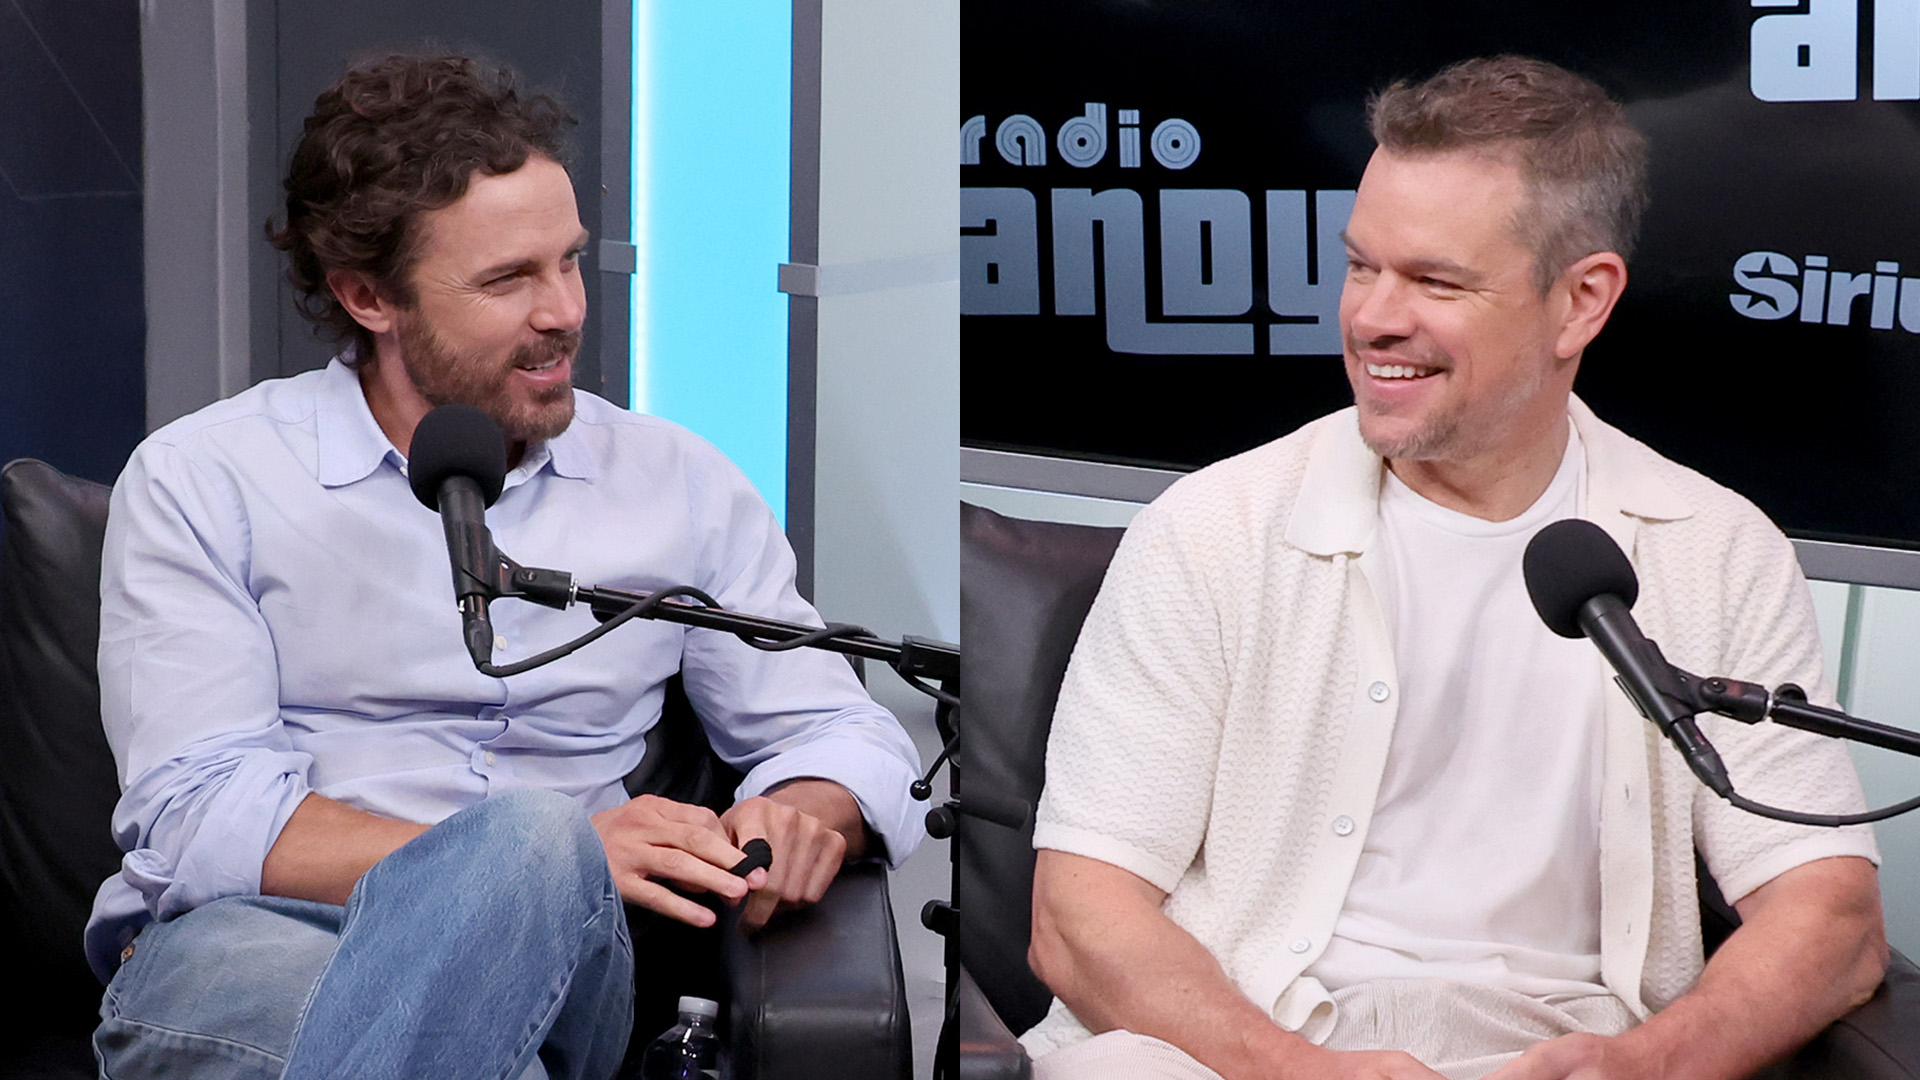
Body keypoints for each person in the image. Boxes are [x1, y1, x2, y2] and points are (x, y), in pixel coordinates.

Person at [1021, 56, 1886, 1080]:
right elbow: (1077, 916)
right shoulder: (1211, 528)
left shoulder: (1717, 546)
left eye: (1433, 280)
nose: (1372, 319)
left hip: (1562, 1056)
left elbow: (1830, 916)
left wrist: (1651, 1065)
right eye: (1359, 266)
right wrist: (1293, 1069)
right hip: (1234, 1049)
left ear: (1580, 303)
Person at [85, 53, 922, 1080]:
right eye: (508, 279)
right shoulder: (205, 479)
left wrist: (805, 808)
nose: (565, 310)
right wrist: (532, 863)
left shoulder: (676, 483)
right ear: (366, 296)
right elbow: (200, 816)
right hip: (256, 941)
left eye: (568, 261)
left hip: (568, 966)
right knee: (522, 885)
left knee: (524, 878)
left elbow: (836, 727)